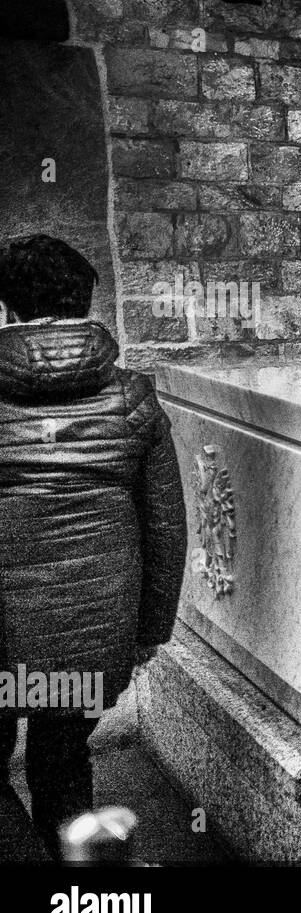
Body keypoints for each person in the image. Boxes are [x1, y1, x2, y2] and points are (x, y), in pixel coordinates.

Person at [0, 234, 186, 861]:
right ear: (84, 302)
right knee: (62, 762)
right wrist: (150, 632)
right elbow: (165, 527)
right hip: (90, 631)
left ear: (8, 310)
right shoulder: (133, 397)